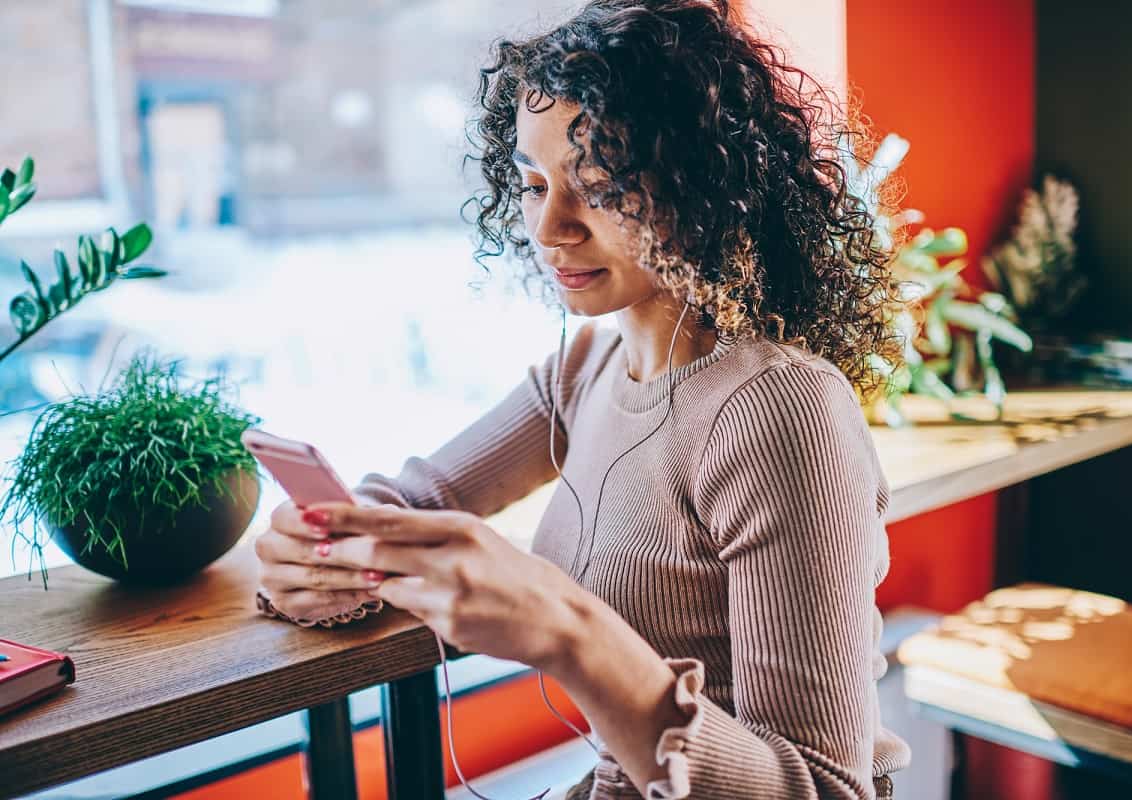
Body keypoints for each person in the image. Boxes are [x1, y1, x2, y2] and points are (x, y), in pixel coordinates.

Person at [253, 1, 912, 797]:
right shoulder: (587, 370)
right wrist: (311, 551)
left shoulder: (781, 412)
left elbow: (824, 788)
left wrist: (568, 631)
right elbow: (414, 498)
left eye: (597, 186)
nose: (549, 227)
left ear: (703, 188)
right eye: (533, 185)